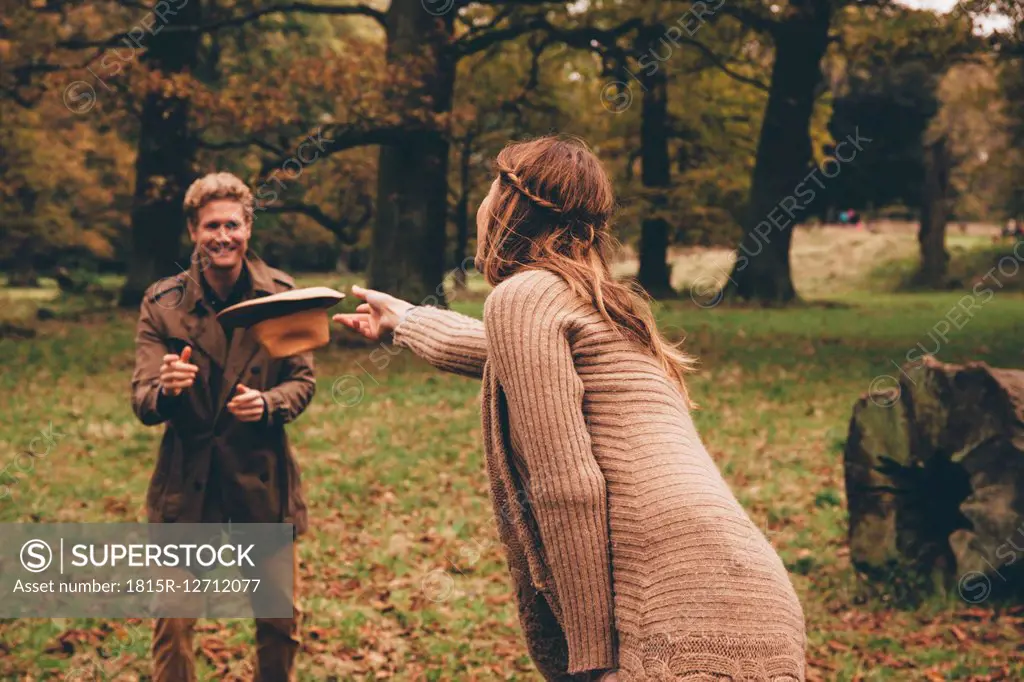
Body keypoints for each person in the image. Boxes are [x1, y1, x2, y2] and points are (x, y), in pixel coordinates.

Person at [335, 136, 807, 681]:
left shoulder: (525, 296)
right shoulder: (605, 304)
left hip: (675, 608)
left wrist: (589, 657)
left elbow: (567, 483)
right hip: (753, 595)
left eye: (493, 188)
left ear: (512, 206)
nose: (483, 206)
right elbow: (502, 353)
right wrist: (403, 318)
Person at [131, 172, 313, 682]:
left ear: (248, 228)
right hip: (187, 481)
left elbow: (302, 381)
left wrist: (269, 403)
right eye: (211, 225)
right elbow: (142, 400)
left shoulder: (280, 295)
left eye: (232, 224)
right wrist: (168, 388)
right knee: (172, 625)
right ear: (194, 230)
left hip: (260, 475)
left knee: (278, 622)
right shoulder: (162, 302)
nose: (222, 236)